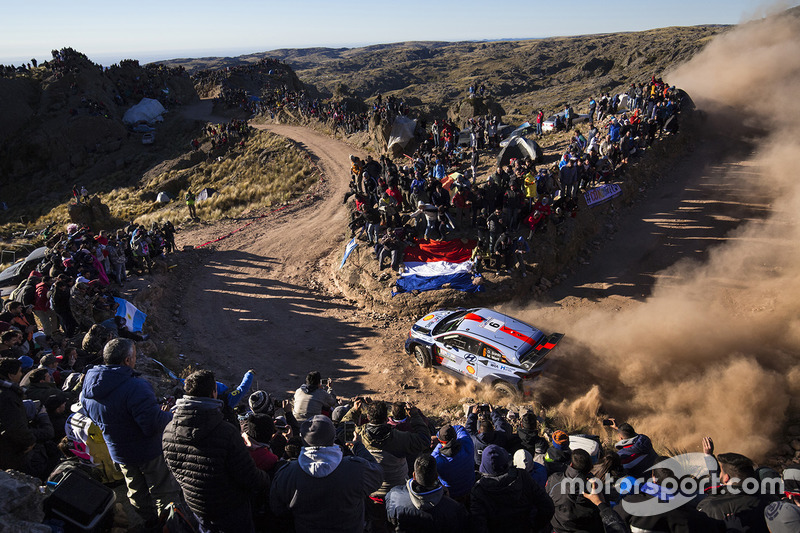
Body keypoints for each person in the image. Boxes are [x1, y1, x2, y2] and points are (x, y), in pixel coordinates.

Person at [80, 338, 181, 527]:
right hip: (149, 451)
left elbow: (90, 414)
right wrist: (170, 416)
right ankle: (169, 526)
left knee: (135, 490)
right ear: (127, 360)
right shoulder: (136, 386)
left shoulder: (87, 386)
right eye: (134, 356)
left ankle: (149, 523)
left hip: (119, 452)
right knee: (163, 492)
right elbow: (151, 426)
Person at [163, 369, 270, 532]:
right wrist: (266, 478)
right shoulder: (226, 432)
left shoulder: (168, 431)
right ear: (213, 392)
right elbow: (249, 476)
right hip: (231, 509)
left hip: (197, 507)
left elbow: (174, 470)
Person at [270, 414, 383, 533]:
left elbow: (277, 508)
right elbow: (378, 475)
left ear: (303, 439)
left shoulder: (287, 473)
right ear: (333, 437)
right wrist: (358, 446)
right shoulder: (356, 469)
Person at [471, 444, 555, 533]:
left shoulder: (478, 491)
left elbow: (478, 526)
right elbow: (547, 505)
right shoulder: (522, 476)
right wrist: (535, 526)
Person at [385, 453, 469, 532]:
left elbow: (391, 521)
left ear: (414, 475)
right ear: (436, 476)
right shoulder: (454, 508)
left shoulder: (394, 496)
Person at [697, 452, 771, 532]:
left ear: (726, 478)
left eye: (721, 472)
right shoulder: (770, 500)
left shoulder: (710, 506)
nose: (720, 475)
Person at [547, 448, 604, 533]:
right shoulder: (594, 490)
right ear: (590, 467)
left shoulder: (554, 480)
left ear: (571, 464)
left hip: (558, 528)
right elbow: (602, 511)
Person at [0, 357, 36, 471]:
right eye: (20, 371)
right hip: (9, 449)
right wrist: (30, 440)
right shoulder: (8, 396)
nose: (21, 374)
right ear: (11, 375)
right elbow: (15, 425)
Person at [431, 423, 475, 503]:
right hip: (470, 486)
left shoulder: (437, 461)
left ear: (441, 441)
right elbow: (459, 428)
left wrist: (438, 440)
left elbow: (432, 457)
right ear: (455, 437)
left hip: (452, 493)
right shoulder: (467, 443)